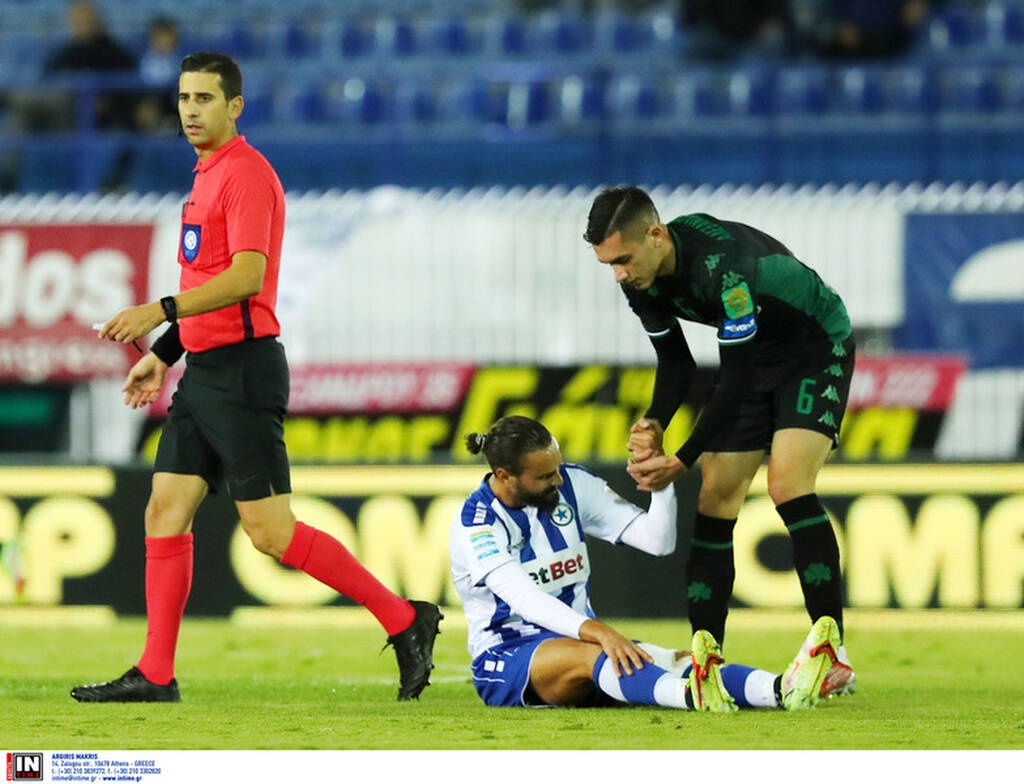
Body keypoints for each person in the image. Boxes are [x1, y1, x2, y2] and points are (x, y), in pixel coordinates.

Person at [71, 52, 442, 704]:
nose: (190, 109)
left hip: (243, 372)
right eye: (184, 98)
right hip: (204, 369)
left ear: (234, 106)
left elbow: (245, 277)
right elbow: (206, 285)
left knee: (270, 534)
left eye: (205, 99)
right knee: (165, 510)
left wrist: (156, 311)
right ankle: (156, 673)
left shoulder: (245, 175)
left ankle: (405, 618)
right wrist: (165, 351)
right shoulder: (205, 174)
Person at [583, 185, 856, 698]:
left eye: (622, 260)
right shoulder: (639, 279)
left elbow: (733, 379)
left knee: (787, 485)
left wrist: (680, 459)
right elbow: (678, 365)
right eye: (608, 265)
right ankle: (707, 657)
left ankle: (833, 653)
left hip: (814, 347)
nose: (618, 274)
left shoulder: (725, 270)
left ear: (656, 235)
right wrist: (654, 422)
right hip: (754, 357)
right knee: (715, 497)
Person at [449, 414, 842, 711]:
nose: (557, 480)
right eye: (544, 475)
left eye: (557, 468)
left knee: (679, 661)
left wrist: (662, 487)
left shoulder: (572, 486)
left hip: (581, 641)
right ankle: (693, 699)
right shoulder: (477, 525)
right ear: (504, 475)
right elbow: (524, 599)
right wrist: (600, 632)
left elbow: (657, 542)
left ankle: (782, 689)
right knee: (603, 657)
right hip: (509, 656)